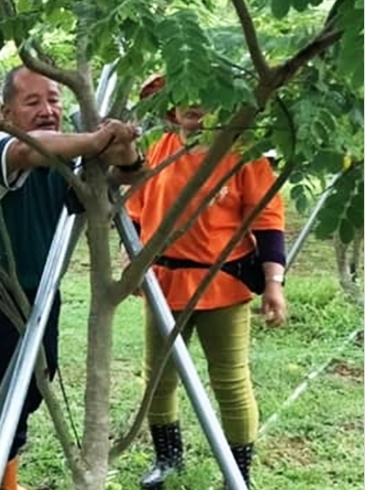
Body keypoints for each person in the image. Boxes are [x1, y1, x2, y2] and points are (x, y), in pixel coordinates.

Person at [0, 66, 143, 489]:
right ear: (6, 114)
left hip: (45, 290)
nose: (47, 110)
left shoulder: (66, 155)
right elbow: (29, 151)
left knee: (37, 385)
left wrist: (125, 150)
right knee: (6, 398)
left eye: (54, 100)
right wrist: (99, 139)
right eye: (33, 102)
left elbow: (123, 176)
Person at [126, 75, 287, 489]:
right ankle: (168, 461)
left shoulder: (242, 154)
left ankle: (239, 475)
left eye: (203, 95)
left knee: (230, 380)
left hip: (223, 285)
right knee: (158, 378)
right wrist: (134, 269)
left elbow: (268, 222)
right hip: (164, 285)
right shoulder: (157, 151)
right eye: (182, 95)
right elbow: (135, 215)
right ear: (169, 106)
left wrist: (273, 283)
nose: (193, 104)